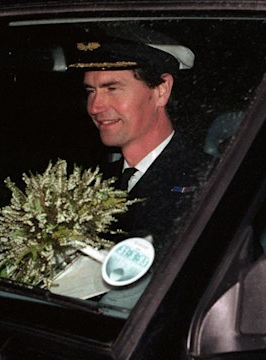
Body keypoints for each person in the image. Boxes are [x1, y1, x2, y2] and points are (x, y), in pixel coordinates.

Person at [67, 33, 212, 255]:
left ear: (161, 90)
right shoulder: (92, 182)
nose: (95, 107)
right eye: (90, 91)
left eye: (112, 89)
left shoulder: (209, 179)